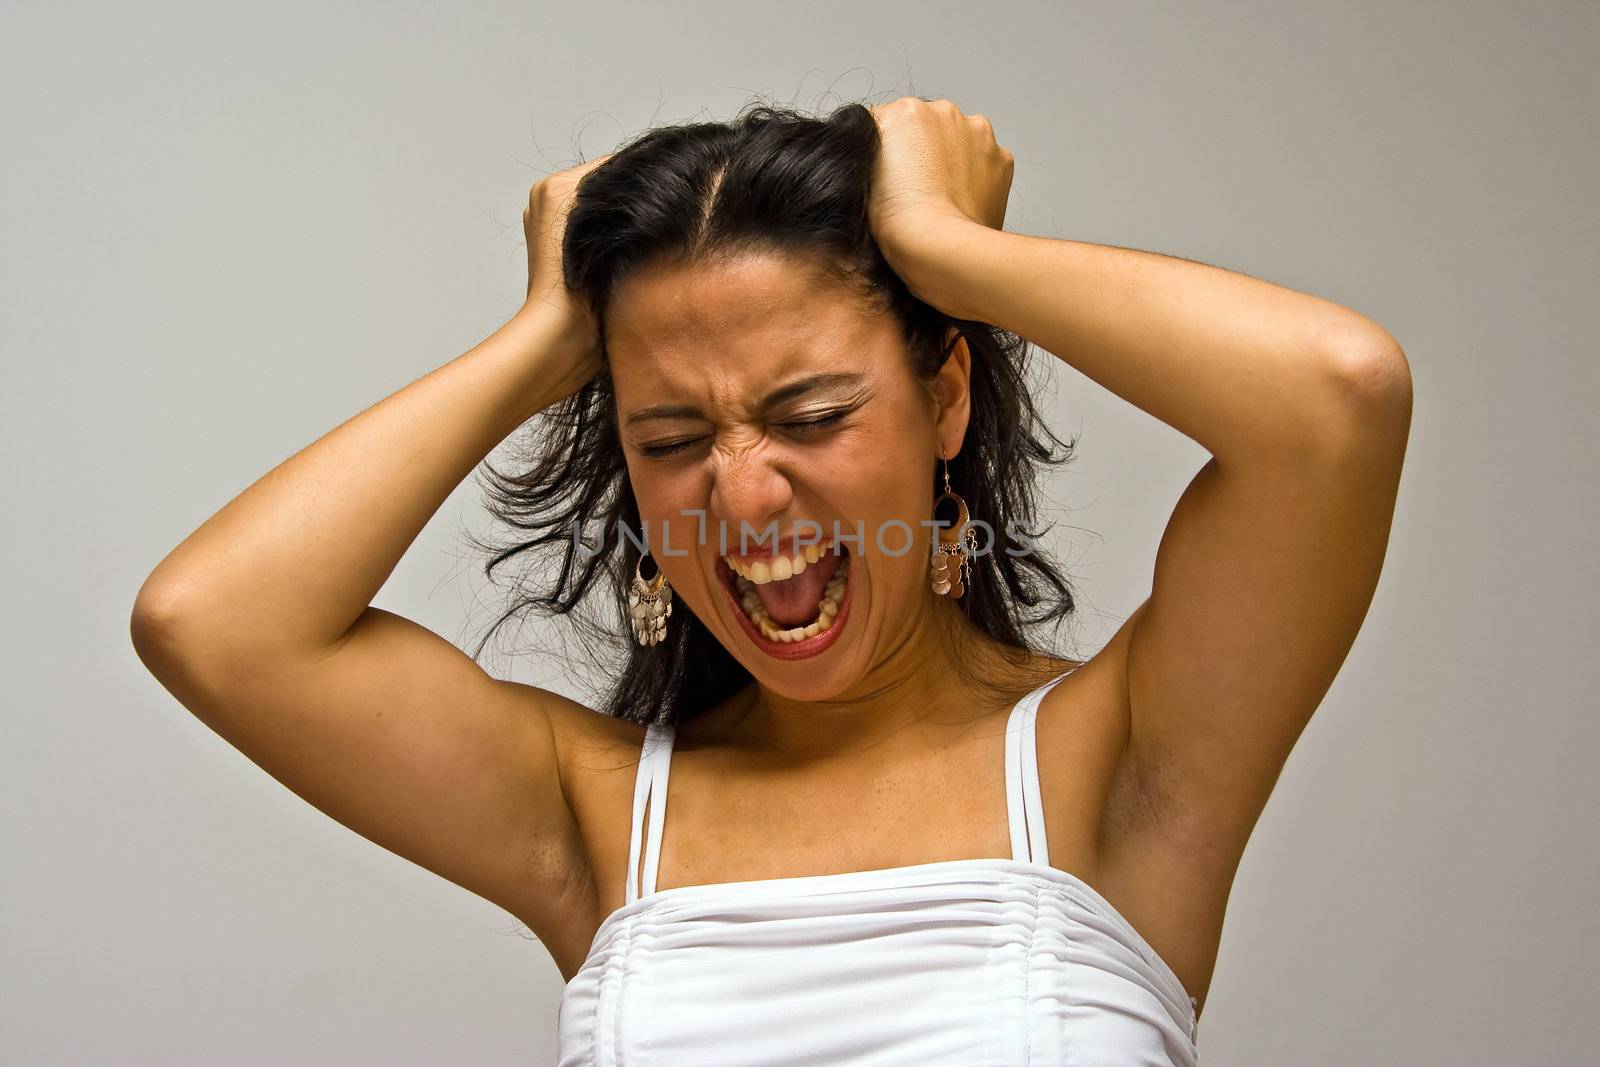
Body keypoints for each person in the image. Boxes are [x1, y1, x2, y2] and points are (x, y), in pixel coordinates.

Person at [131, 96, 1413, 1065]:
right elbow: (214, 622)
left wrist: (938, 247)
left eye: (810, 413)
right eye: (672, 440)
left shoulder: (1118, 756)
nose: (744, 495)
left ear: (945, 394)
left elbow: (1334, 398)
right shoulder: (594, 817)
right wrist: (549, 336)